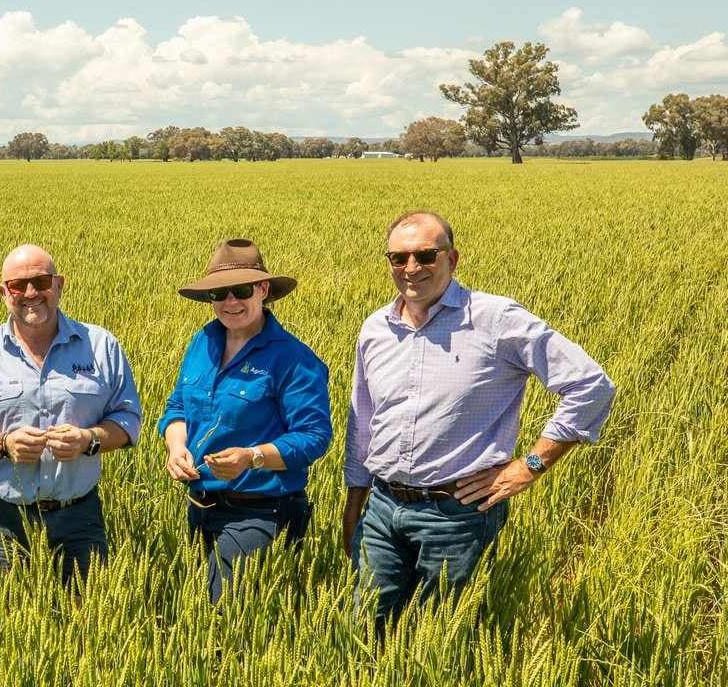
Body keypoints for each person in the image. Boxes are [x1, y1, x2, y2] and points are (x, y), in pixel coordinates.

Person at [344, 211, 616, 625]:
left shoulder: (495, 319)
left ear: (452, 259)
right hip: (381, 508)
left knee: (440, 635)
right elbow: (363, 422)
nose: (411, 268)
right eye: (399, 258)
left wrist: (531, 465)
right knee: (363, 627)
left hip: (456, 514)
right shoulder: (376, 328)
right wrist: (354, 503)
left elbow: (590, 385)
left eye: (425, 256)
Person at [0, 244, 142, 587]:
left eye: (42, 282)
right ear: (4, 293)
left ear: (59, 284)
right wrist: (3, 444)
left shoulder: (101, 346)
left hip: (79, 518)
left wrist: (88, 440)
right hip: (2, 521)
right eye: (18, 285)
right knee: (7, 615)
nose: (31, 293)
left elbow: (128, 419)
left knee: (86, 613)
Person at [158, 239, 332, 603]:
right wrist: (176, 447)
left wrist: (251, 457)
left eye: (240, 291)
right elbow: (177, 406)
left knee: (222, 613)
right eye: (218, 293)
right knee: (197, 612)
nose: (230, 302)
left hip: (261, 511)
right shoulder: (203, 342)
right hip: (200, 505)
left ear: (263, 290)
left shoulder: (293, 358)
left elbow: (314, 436)